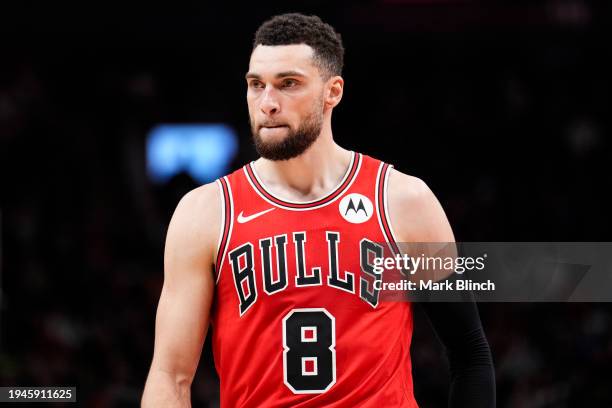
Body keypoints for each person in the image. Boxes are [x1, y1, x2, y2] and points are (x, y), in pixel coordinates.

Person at [142, 13, 495, 407]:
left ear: (333, 92)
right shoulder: (205, 213)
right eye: (256, 85)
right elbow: (169, 377)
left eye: (288, 84)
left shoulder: (404, 201)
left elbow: (470, 356)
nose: (268, 103)